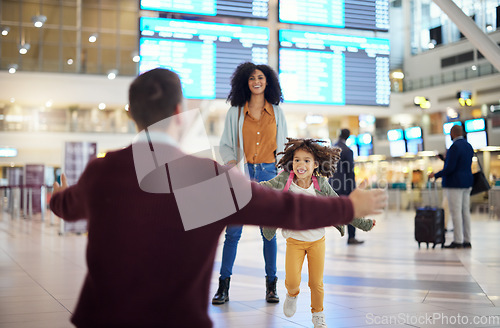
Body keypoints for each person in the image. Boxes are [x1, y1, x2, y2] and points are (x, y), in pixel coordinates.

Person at [50, 68, 387, 328]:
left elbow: (66, 206)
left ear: (131, 114)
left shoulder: (101, 172)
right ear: (180, 111)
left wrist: (57, 196)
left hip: (101, 318)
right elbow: (287, 208)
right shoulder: (208, 179)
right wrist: (350, 206)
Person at [260, 138, 376, 328]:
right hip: (294, 241)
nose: (301, 164)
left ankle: (318, 317)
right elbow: (265, 187)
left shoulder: (321, 185)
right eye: (297, 160)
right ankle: (292, 294)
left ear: (315, 165)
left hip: (317, 241)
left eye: (307, 160)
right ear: (291, 162)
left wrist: (363, 224)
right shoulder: (284, 180)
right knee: (292, 281)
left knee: (316, 283)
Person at [215, 62, 288, 304]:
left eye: (261, 77)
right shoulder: (235, 111)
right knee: (233, 231)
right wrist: (232, 162)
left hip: (269, 173)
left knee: (268, 232)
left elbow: (284, 147)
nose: (256, 81)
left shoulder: (277, 112)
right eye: (251, 78)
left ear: (268, 82)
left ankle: (271, 286)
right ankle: (223, 286)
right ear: (245, 82)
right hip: (242, 173)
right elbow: (225, 144)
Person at [429, 124, 474, 249]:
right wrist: (445, 159)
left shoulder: (454, 147)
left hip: (455, 184)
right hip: (467, 183)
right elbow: (460, 164)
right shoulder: (468, 146)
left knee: (455, 212)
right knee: (465, 212)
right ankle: (467, 239)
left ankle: (458, 240)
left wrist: (436, 175)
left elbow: (450, 168)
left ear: (453, 133)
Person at [329, 129, 363, 245]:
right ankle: (351, 237)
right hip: (344, 186)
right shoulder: (347, 150)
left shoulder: (332, 148)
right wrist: (353, 189)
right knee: (351, 211)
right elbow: (350, 172)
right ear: (348, 137)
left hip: (333, 185)